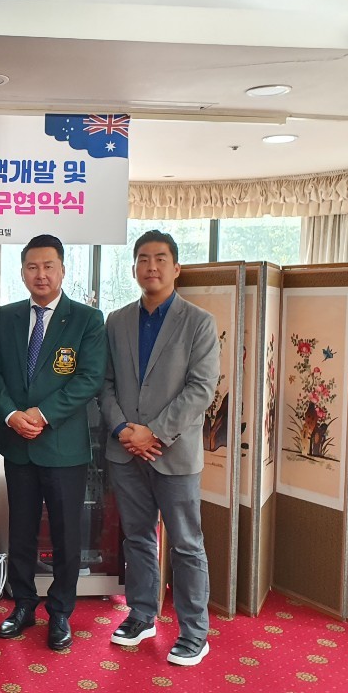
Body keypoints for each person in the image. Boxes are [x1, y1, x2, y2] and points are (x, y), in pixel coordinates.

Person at [97, 229, 219, 667]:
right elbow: (104, 384)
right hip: (125, 450)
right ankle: (142, 615)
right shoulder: (116, 321)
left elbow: (201, 389)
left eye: (160, 259)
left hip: (174, 453)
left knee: (186, 544)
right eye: (143, 259)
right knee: (137, 538)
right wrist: (122, 430)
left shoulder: (199, 322)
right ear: (133, 268)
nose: (151, 266)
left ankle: (194, 633)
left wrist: (154, 433)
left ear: (176, 268)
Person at [0, 234, 106, 650]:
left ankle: (60, 613)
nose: (41, 274)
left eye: (48, 266)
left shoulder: (87, 319)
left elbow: (89, 378)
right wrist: (10, 414)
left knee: (65, 535)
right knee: (20, 532)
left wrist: (41, 414)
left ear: (62, 270)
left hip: (63, 446)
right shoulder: (5, 317)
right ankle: (23, 605)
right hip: (17, 443)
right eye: (32, 267)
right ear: (22, 272)